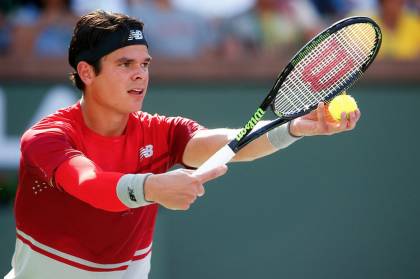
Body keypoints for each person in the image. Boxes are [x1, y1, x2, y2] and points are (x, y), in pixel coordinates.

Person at [4, 10, 361, 279]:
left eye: (145, 64)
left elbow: (227, 143)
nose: (140, 74)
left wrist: (297, 127)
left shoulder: (160, 132)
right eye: (125, 63)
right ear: (86, 72)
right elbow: (87, 182)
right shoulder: (47, 138)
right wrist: (151, 187)